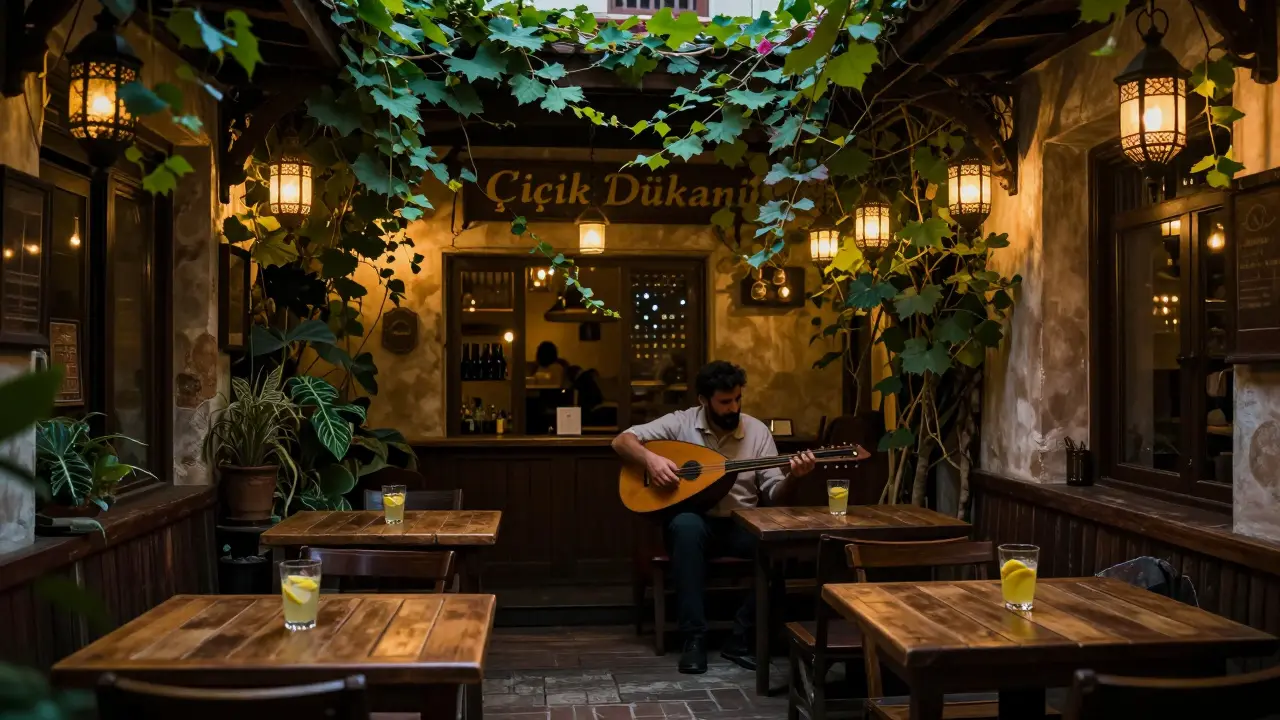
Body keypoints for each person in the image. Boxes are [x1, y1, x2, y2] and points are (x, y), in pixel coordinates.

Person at [612, 360, 817, 674]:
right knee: (685, 526)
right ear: (703, 400)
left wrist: (795, 477)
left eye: (737, 399)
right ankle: (693, 639)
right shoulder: (680, 423)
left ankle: (741, 637)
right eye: (724, 402)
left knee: (780, 545)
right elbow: (621, 441)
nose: (733, 407)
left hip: (740, 524)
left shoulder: (757, 431)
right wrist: (651, 460)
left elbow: (775, 495)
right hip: (696, 523)